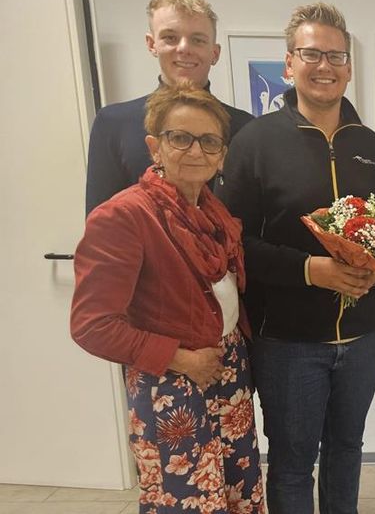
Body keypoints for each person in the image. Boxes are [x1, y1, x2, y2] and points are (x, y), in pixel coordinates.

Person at [217, 3, 375, 514]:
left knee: (346, 450)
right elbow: (234, 243)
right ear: (289, 63)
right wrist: (310, 270)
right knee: (293, 464)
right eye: (311, 54)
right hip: (288, 343)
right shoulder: (254, 142)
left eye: (336, 56)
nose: (325, 66)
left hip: (362, 340)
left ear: (349, 66)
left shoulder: (372, 147)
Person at [71, 84, 264, 513]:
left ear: (222, 155)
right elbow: (91, 326)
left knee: (237, 495)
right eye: (180, 138)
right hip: (171, 383)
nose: (195, 151)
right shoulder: (124, 216)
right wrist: (181, 359)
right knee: (186, 502)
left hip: (226, 373)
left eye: (209, 141)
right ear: (154, 147)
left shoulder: (212, 213)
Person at [85, 0, 252, 216]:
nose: (184, 48)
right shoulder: (113, 124)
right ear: (152, 44)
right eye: (170, 38)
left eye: (197, 40)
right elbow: (101, 223)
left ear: (214, 53)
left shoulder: (246, 128)